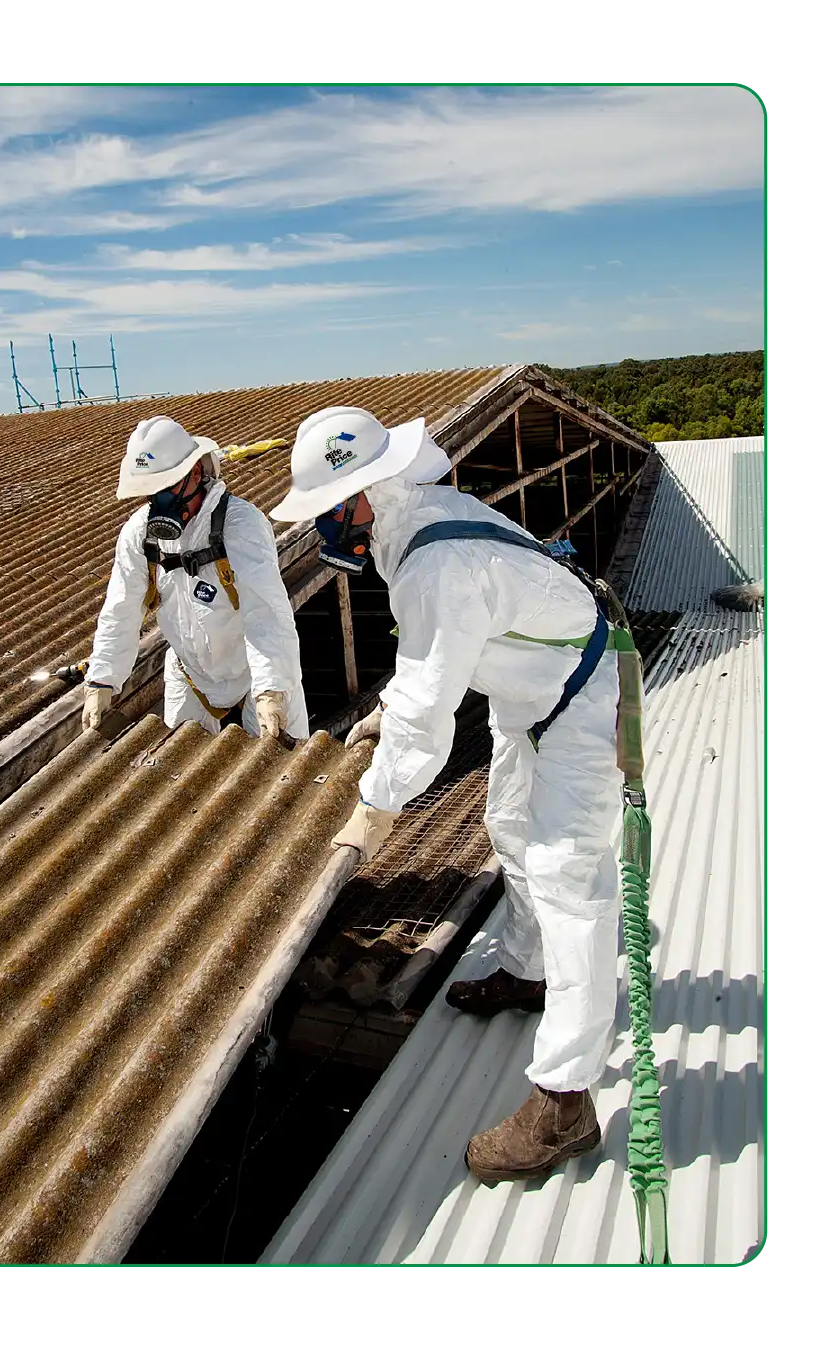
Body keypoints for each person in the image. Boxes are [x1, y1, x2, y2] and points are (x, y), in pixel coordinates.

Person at [271, 405, 629, 1182]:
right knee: (508, 825)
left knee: (568, 877)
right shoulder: (415, 523)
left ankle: (565, 1102)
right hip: (529, 690)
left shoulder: (433, 563)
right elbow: (432, 660)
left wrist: (377, 804)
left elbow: (430, 710)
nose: (324, 527)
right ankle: (529, 972)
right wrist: (387, 710)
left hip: (582, 695)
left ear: (364, 495)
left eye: (329, 509)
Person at [83, 415, 309, 743]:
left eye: (167, 487)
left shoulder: (240, 524)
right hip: (191, 675)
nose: (160, 500)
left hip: (256, 672)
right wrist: (101, 681)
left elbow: (266, 613)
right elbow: (121, 609)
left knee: (281, 758)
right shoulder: (140, 533)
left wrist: (272, 689)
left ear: (196, 472)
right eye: (151, 491)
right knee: (181, 761)